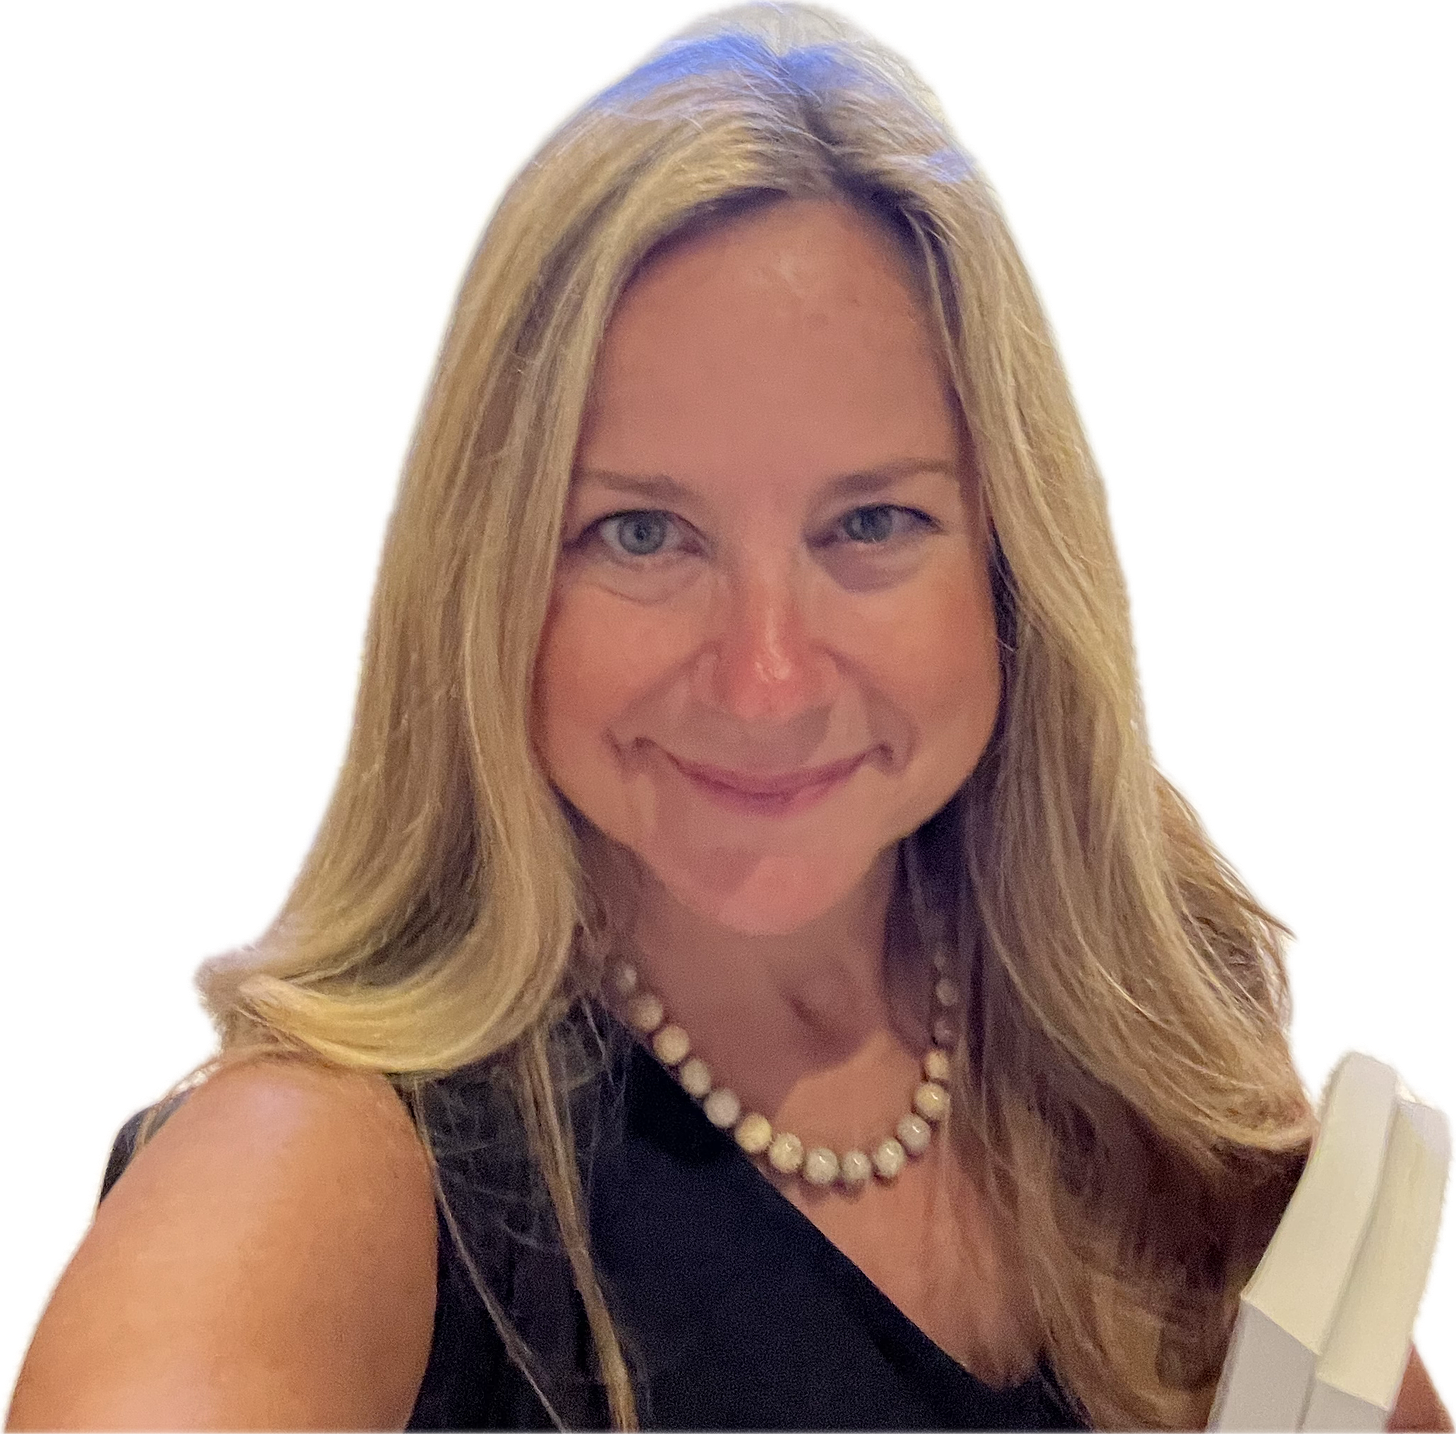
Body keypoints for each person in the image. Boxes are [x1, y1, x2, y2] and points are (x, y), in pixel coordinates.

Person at [5, 3, 1452, 1431]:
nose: (767, 677)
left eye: (873, 522)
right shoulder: (316, 1165)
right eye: (641, 535)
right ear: (485, 575)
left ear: (1015, 564)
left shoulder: (1142, 1019)